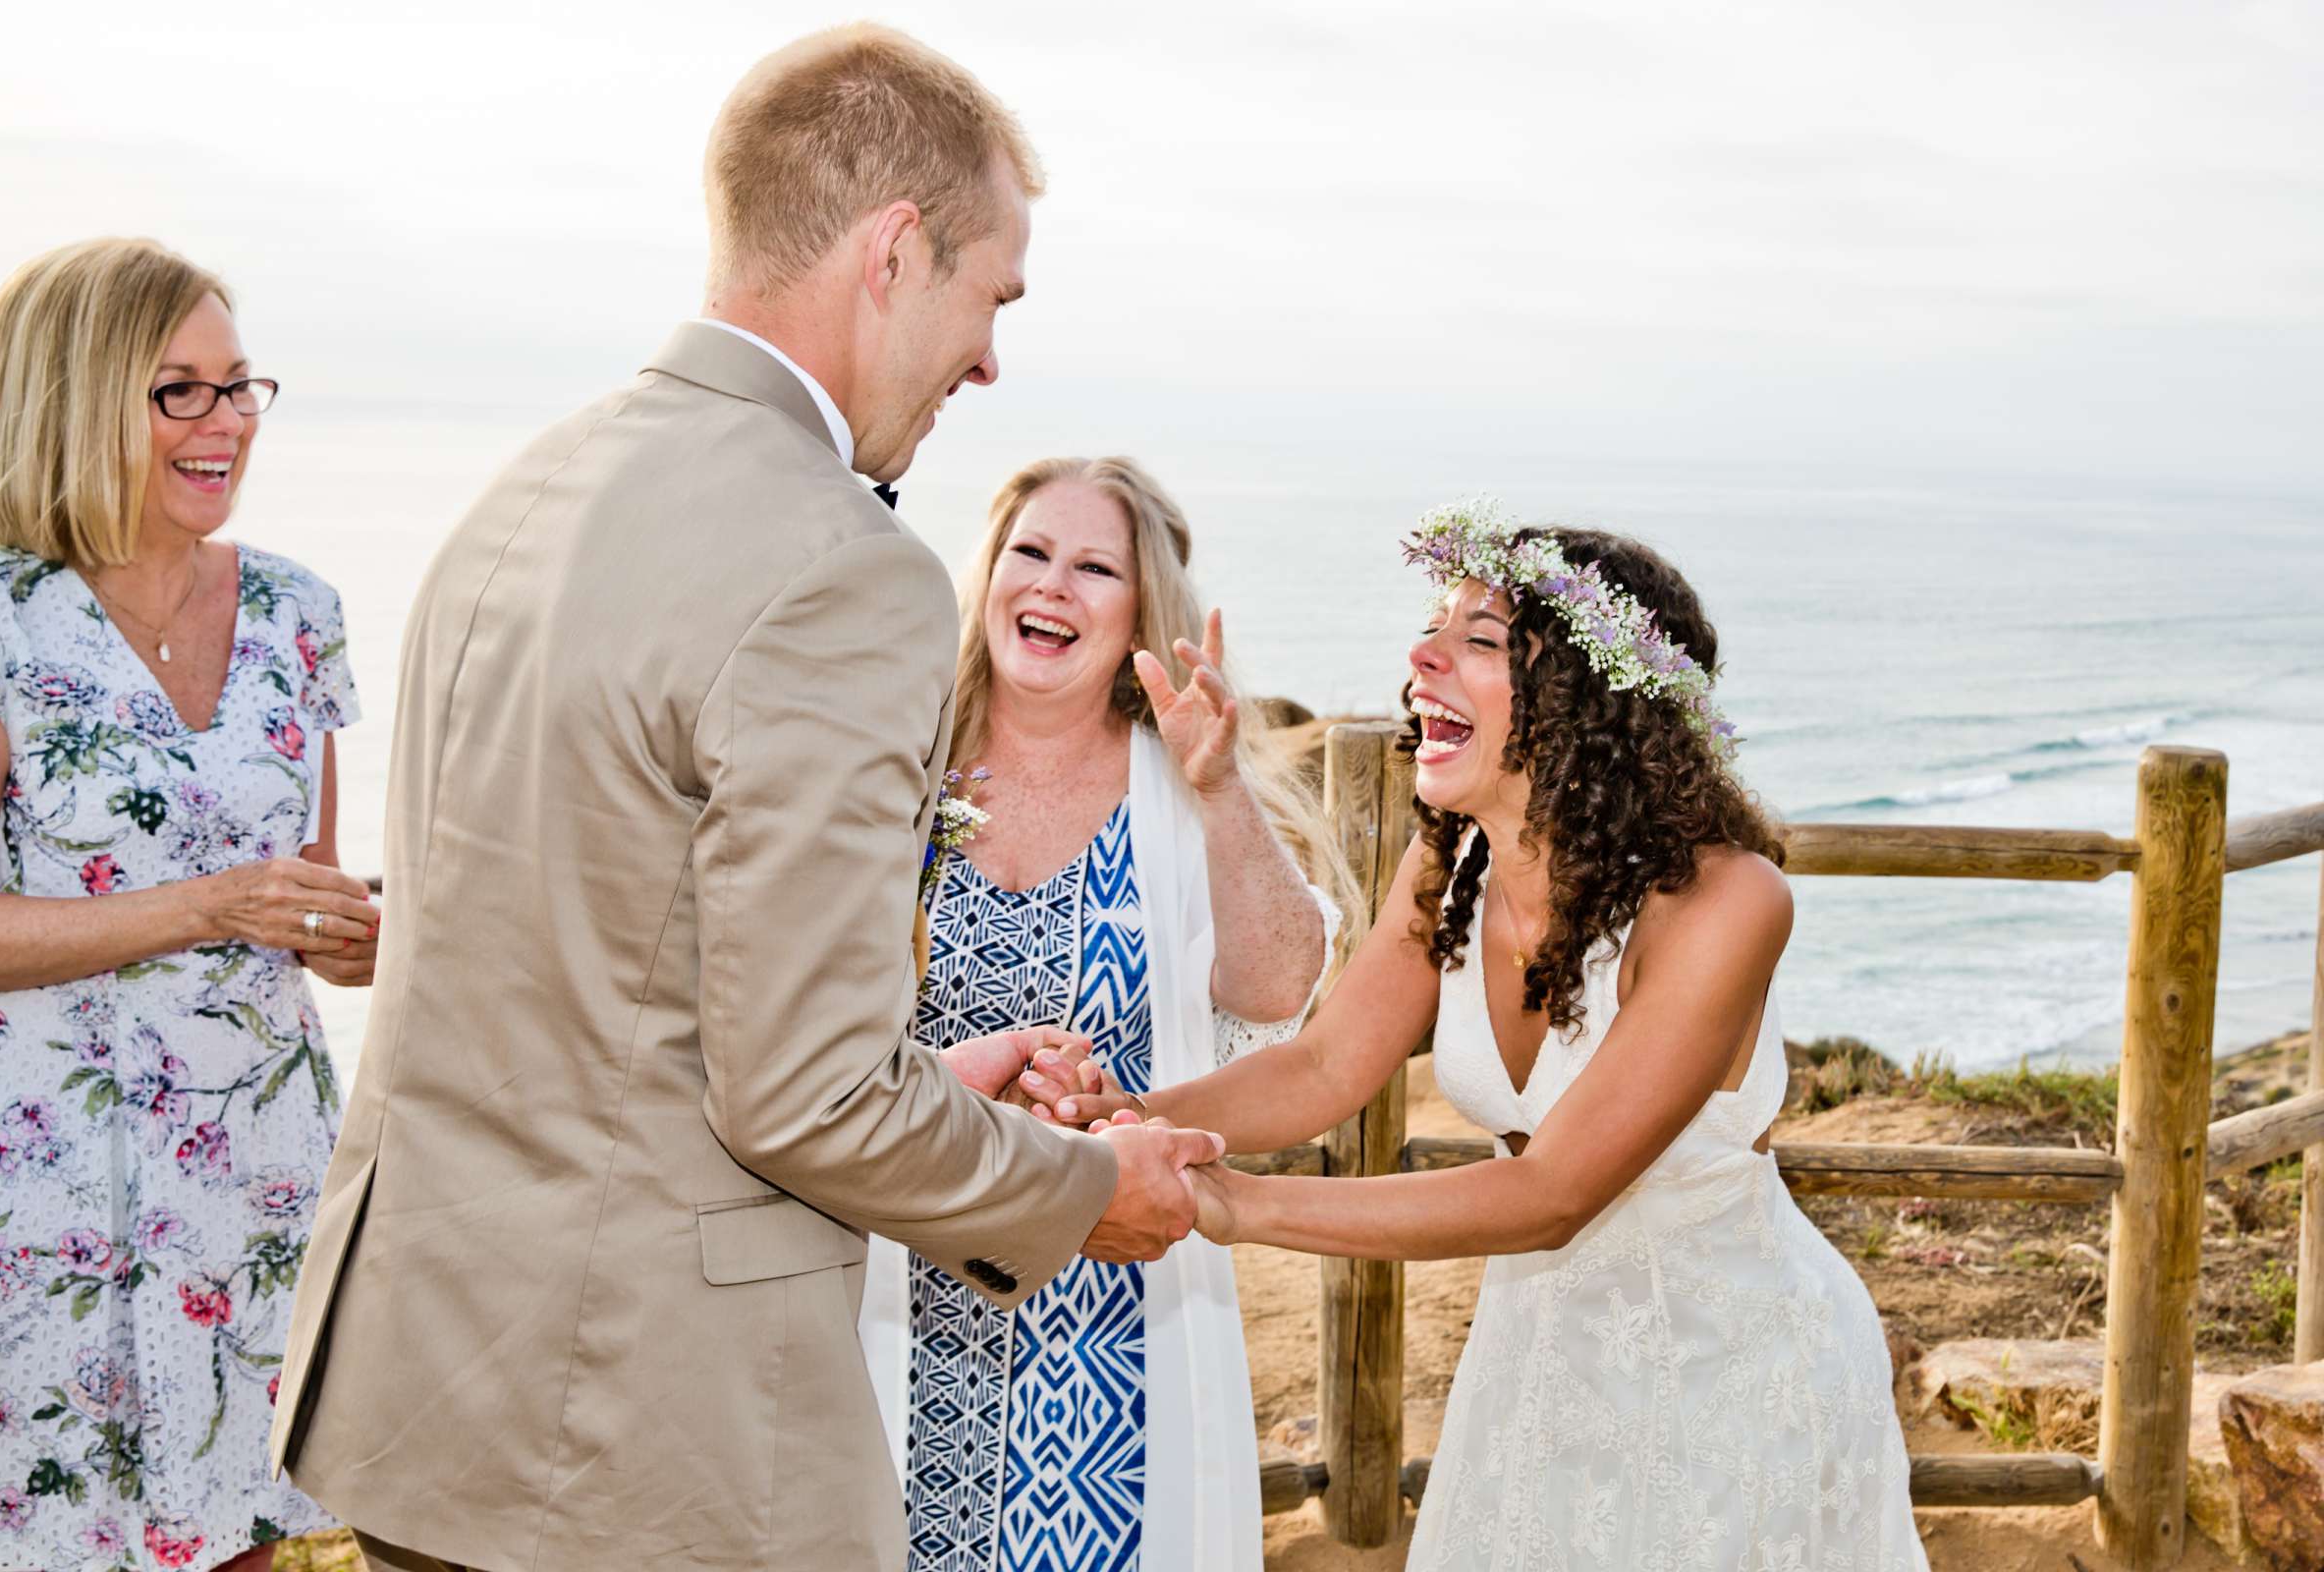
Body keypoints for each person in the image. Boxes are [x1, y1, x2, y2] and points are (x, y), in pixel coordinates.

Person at [266, 27, 1222, 1572]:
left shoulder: (530, 486)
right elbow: (804, 1099)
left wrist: (928, 1081)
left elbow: (585, 965)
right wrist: (1079, 1186)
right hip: (643, 1444)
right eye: (993, 298)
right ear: (896, 252)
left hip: (427, 1388)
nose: (990, 359)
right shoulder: (841, 568)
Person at [1040, 506, 1931, 1570]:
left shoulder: (1730, 904)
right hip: (1540, 1360)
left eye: (1481, 639)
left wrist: (1235, 1202)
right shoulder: (1455, 860)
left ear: (1588, 701)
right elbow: (1324, 1065)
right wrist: (1121, 1120)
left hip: (1732, 1378)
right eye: (1432, 627)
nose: (1423, 655)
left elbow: (1551, 1193)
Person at [858, 457, 1349, 1572]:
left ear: (1140, 611)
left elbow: (1276, 990)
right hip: (900, 1289)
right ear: (988, 574)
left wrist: (1222, 790)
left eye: (1094, 568)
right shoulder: (895, 761)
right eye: (1030, 553)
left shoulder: (1177, 786)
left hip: (1112, 1317)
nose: (1054, 586)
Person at [0, 237, 375, 1572]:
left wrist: (357, 937)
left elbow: (304, 918)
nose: (228, 424)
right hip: (38, 1206)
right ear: (78, 400)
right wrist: (206, 905)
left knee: (244, 1543)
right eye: (180, 392)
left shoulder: (300, 616)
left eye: (242, 386)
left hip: (257, 1191)